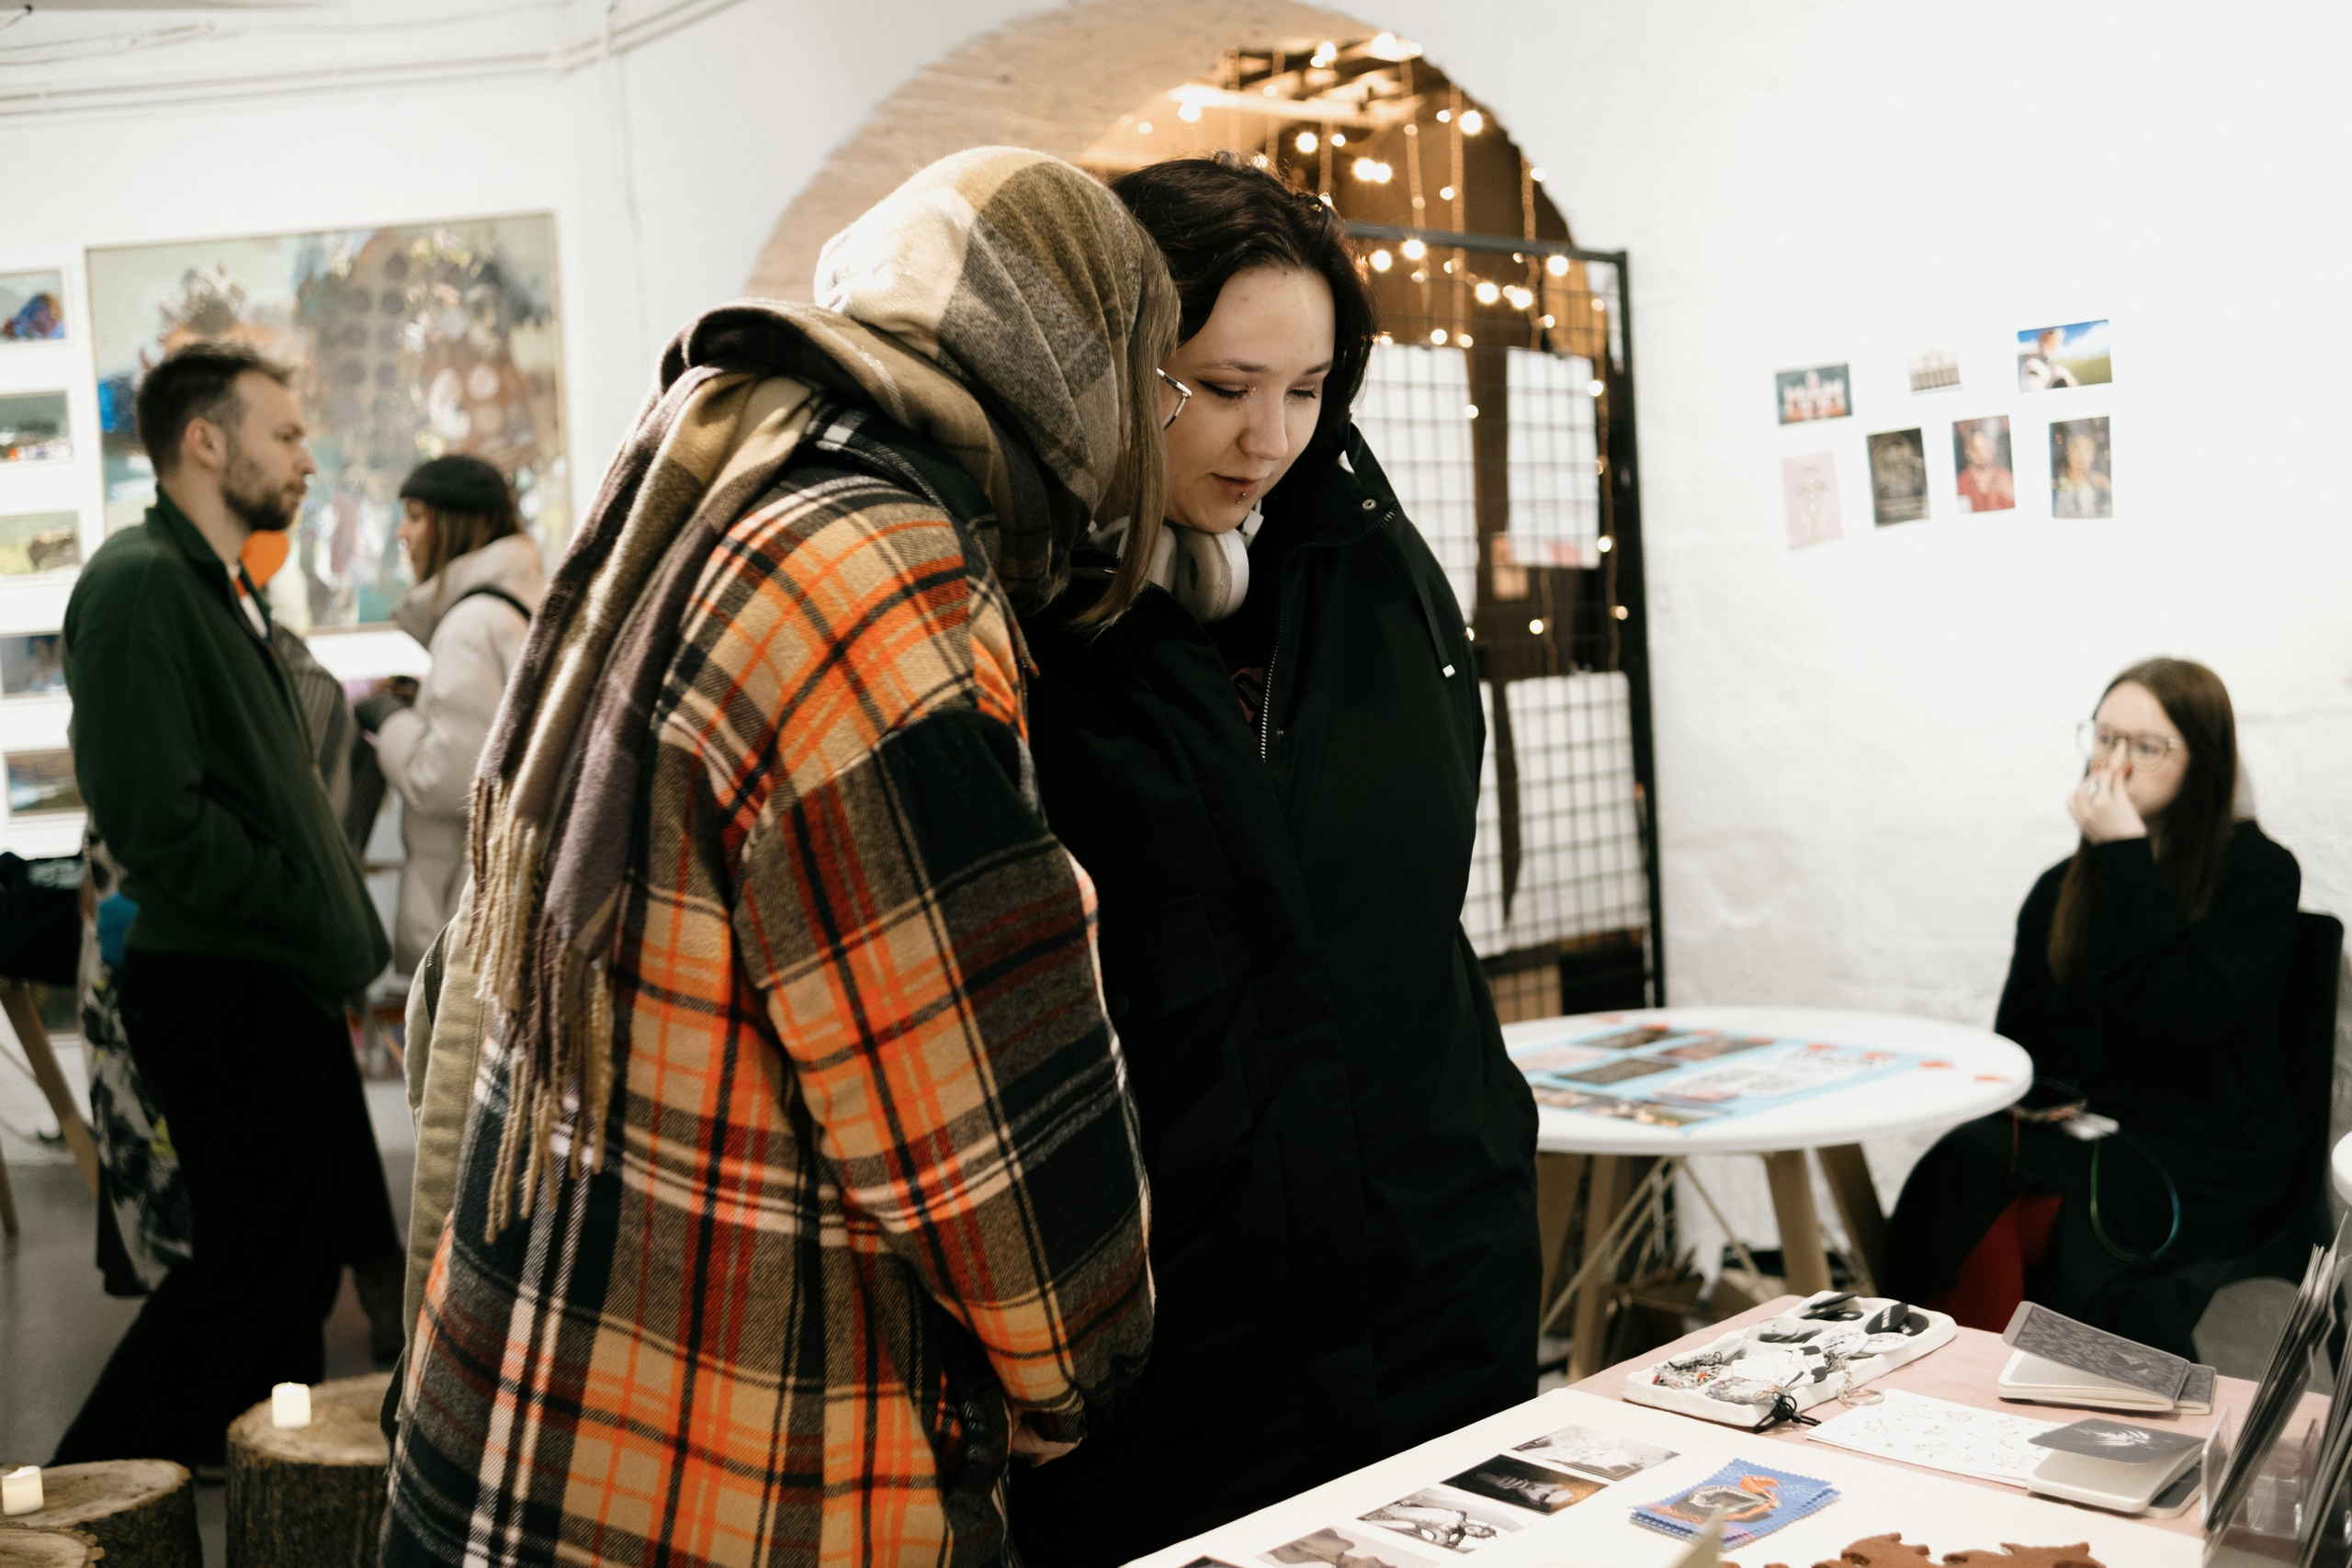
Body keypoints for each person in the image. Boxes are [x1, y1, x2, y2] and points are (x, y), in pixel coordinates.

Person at [382, 148, 1165, 1566]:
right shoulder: (877, 572)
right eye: (1160, 376)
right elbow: (969, 1086)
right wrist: (1077, 1360)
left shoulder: (729, 475)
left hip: (554, 1380)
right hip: (734, 1452)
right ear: (1076, 360)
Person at [1008, 154, 1538, 1566]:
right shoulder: (1023, 604)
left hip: (1432, 1277)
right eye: (1224, 385)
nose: (1269, 437)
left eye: (1308, 391)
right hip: (1182, 1336)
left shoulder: (1364, 562)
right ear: (1116, 365)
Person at [55, 342, 393, 1467]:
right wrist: (301, 907)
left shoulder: (217, 585)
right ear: (207, 440)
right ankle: (73, 1501)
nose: (307, 456)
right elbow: (155, 818)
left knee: (287, 1275)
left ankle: (240, 1487)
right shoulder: (137, 582)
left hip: (267, 975)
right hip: (220, 974)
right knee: (246, 1273)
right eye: (285, 433)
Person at [1883, 658, 2301, 1356]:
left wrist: (2125, 855)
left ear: (2203, 760)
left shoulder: (2257, 873)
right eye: (2105, 739)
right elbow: (2022, 1038)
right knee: (1964, 1160)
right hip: (2087, 1125)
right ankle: (1931, 1361)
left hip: (2200, 1142)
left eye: (2146, 746)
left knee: (2052, 1211)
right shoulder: (2063, 886)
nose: (2116, 764)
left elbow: (2180, 1022)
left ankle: (2041, 1380)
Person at [356, 455, 545, 974]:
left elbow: (445, 778)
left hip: (465, 920)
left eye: (416, 516)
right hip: (508, 911)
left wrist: (387, 719)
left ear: (455, 524)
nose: (403, 534)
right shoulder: (527, 601)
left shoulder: (469, 623)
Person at [2052, 422, 2112, 519]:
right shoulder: (2055, 486)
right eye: (2075, 447)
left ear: (2093, 455)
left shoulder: (2100, 488)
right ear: (2067, 452)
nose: (2081, 455)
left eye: (2087, 449)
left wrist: (2106, 485)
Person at [1953, 422, 2016, 513]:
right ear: (1968, 451)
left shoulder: (2007, 479)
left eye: (1985, 448)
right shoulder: (1960, 483)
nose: (1981, 454)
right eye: (1976, 449)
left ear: (1992, 448)